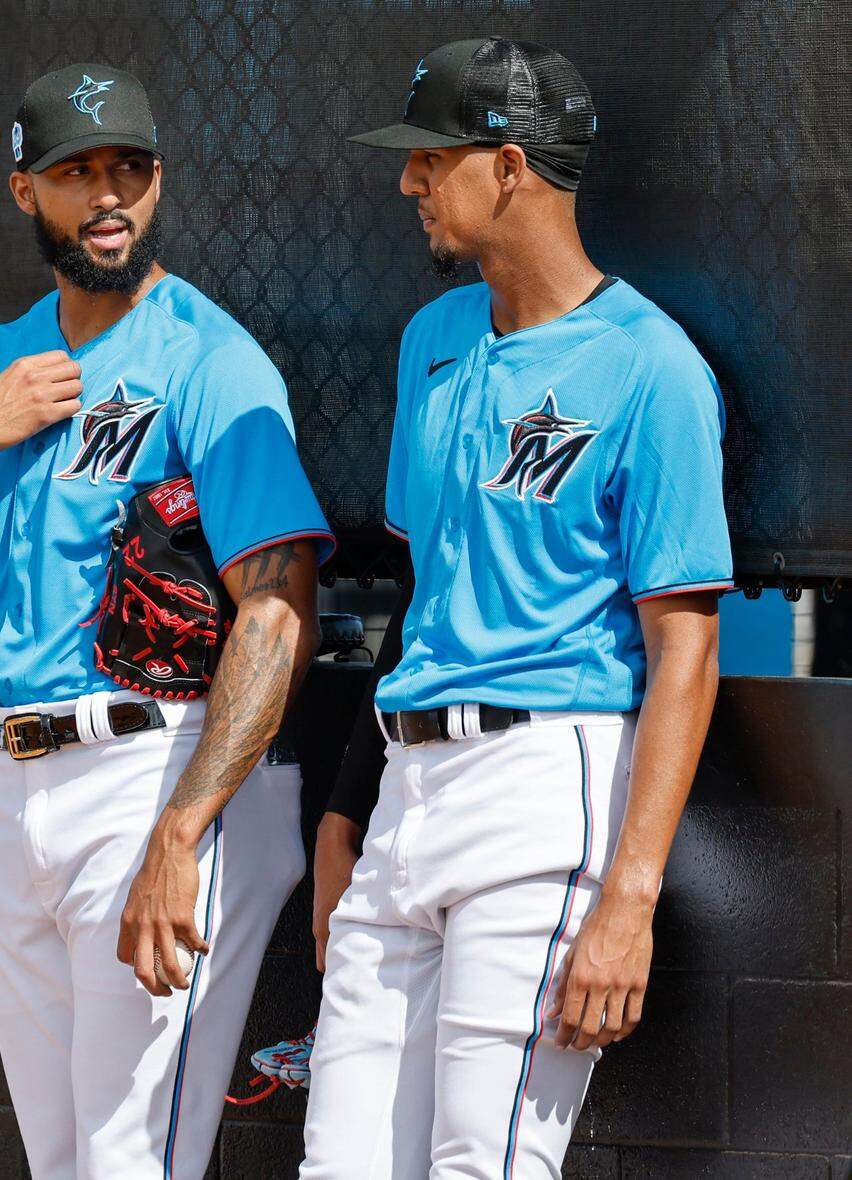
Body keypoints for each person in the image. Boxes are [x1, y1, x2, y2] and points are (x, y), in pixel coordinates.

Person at [0, 62, 334, 1180]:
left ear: (158, 178)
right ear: (23, 192)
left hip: (155, 771)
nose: (108, 193)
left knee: (131, 1164)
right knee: (66, 1163)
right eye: (76, 171)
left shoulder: (210, 362)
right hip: (13, 788)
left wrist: (178, 837)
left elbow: (275, 617)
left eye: (128, 166)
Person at [301, 38, 732, 1179]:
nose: (408, 184)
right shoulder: (432, 340)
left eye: (429, 160)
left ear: (507, 168)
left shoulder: (653, 369)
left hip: (549, 785)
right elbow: (424, 596)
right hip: (407, 788)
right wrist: (350, 812)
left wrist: (630, 898)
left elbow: (684, 650)